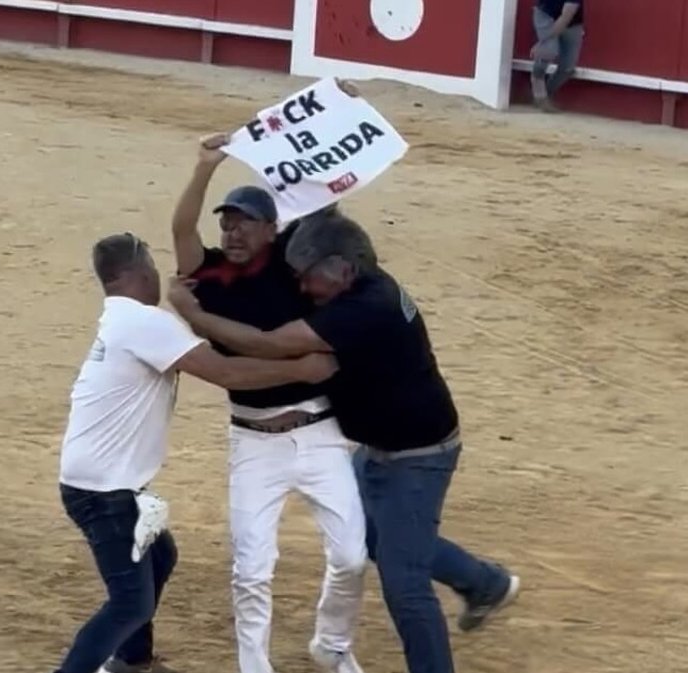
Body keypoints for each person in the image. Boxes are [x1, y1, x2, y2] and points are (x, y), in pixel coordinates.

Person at [166, 210, 521, 673]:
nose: (303, 289)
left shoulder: (365, 309)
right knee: (374, 538)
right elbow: (306, 212)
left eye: (309, 278)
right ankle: (484, 584)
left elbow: (269, 344)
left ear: (344, 269)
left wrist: (194, 314)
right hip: (376, 446)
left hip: (417, 459)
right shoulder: (350, 280)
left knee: (404, 583)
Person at [54, 233, 338, 673]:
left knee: (159, 557)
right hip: (104, 492)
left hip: (98, 482)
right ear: (139, 273)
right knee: (130, 603)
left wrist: (193, 310)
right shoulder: (144, 323)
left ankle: (131, 660)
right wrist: (302, 368)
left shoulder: (121, 320)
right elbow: (225, 371)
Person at [170, 135, 366, 673]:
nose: (232, 232)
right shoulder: (206, 276)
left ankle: (332, 645)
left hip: (321, 433)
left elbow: (325, 204)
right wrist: (204, 167)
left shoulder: (290, 266)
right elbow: (182, 229)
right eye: (227, 223)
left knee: (351, 556)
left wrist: (337, 124)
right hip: (253, 440)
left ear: (271, 228)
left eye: (244, 222)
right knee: (251, 570)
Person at [530, 0, 584, 112]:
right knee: (548, 51)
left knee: (568, 67)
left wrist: (542, 42)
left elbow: (565, 18)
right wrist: (543, 43)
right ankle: (540, 96)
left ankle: (545, 94)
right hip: (546, 15)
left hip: (572, 23)